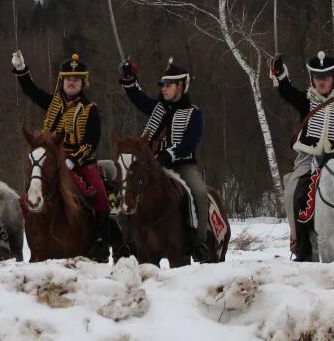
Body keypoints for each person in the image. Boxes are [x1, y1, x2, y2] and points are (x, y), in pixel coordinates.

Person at [271, 51, 334, 260]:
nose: (322, 82)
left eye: (326, 77)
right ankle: (300, 245)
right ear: (312, 80)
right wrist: (280, 73)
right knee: (293, 194)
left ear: (333, 78)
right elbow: (286, 91)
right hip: (309, 160)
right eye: (318, 78)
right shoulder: (305, 101)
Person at [11, 51, 112, 260]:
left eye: (75, 80)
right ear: (62, 81)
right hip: (51, 158)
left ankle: (102, 241)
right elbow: (31, 91)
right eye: (68, 79)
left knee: (101, 195)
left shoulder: (90, 109)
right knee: (33, 183)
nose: (71, 83)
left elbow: (92, 141)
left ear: (82, 83)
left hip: (80, 161)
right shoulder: (53, 103)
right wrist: (21, 70)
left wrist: (73, 160)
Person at [119, 56, 213, 262]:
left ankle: (198, 240)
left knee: (198, 191)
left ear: (181, 86)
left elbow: (189, 142)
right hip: (152, 165)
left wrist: (167, 155)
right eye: (162, 85)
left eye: (169, 85)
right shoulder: (157, 109)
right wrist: (128, 78)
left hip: (181, 165)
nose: (164, 88)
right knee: (128, 187)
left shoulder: (193, 113)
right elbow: (137, 97)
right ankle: (126, 241)